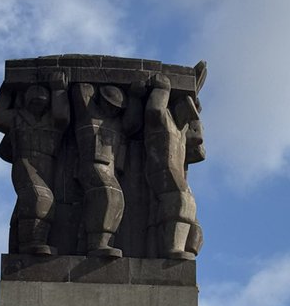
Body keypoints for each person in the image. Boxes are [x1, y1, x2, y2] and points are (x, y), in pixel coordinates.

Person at [0, 72, 70, 256]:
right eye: (34, 102)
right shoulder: (17, 117)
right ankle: (32, 243)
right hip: (25, 162)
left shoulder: (52, 119)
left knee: (35, 204)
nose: (37, 105)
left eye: (41, 102)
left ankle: (22, 242)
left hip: (49, 165)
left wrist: (58, 89)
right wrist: (6, 94)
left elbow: (62, 116)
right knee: (39, 197)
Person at [72, 81, 144, 257]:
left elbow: (133, 123)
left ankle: (93, 242)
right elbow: (81, 90)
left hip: (109, 170)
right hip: (90, 166)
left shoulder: (117, 123)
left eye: (116, 108)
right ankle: (98, 244)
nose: (112, 110)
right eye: (109, 105)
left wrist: (135, 97)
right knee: (109, 194)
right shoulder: (88, 115)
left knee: (113, 200)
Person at [143, 74, 206, 260]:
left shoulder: (181, 129)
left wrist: (195, 118)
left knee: (194, 220)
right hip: (160, 170)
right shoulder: (164, 119)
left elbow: (198, 147)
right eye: (187, 112)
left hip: (174, 172)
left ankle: (187, 250)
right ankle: (172, 248)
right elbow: (154, 109)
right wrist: (163, 89)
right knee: (180, 199)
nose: (189, 118)